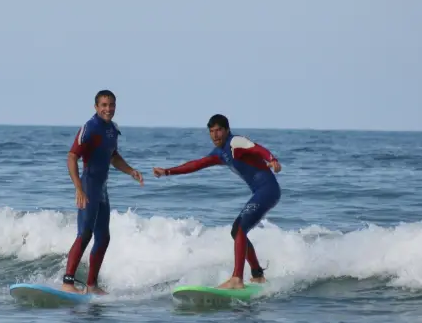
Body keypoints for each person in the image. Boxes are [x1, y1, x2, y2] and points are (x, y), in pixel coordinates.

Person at [152, 114, 282, 289]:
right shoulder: (220, 153)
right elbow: (197, 164)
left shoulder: (235, 142)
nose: (215, 135)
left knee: (240, 229)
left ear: (226, 130)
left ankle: (237, 279)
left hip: (268, 190)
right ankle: (257, 275)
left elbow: (258, 148)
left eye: (219, 130)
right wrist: (167, 172)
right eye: (211, 131)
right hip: (261, 191)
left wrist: (272, 159)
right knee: (237, 231)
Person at [61, 89, 144, 294]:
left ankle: (91, 285)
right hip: (89, 186)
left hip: (102, 190)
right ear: (96, 107)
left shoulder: (112, 129)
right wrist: (79, 188)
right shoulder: (90, 127)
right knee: (85, 233)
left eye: (112, 105)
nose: (108, 109)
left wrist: (130, 171)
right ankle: (68, 282)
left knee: (103, 237)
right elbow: (72, 156)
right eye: (104, 105)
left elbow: (113, 156)